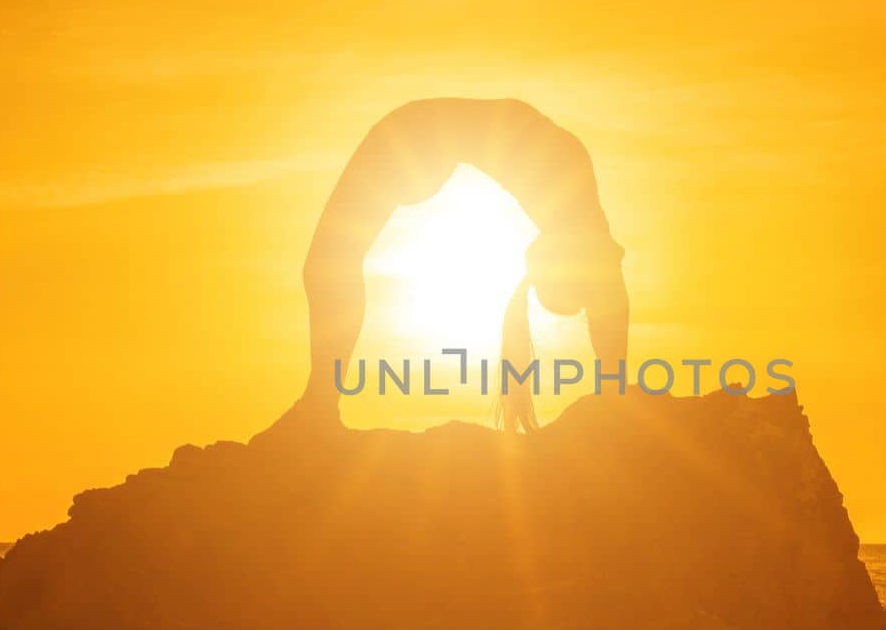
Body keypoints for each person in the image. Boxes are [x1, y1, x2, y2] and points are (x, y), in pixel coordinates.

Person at [260, 98, 629, 438]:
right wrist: (616, 385)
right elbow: (609, 293)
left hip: (412, 133)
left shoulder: (567, 193)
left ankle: (319, 404)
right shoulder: (568, 186)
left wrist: (616, 384)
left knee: (326, 263)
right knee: (326, 264)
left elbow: (607, 290)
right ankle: (319, 404)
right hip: (416, 134)